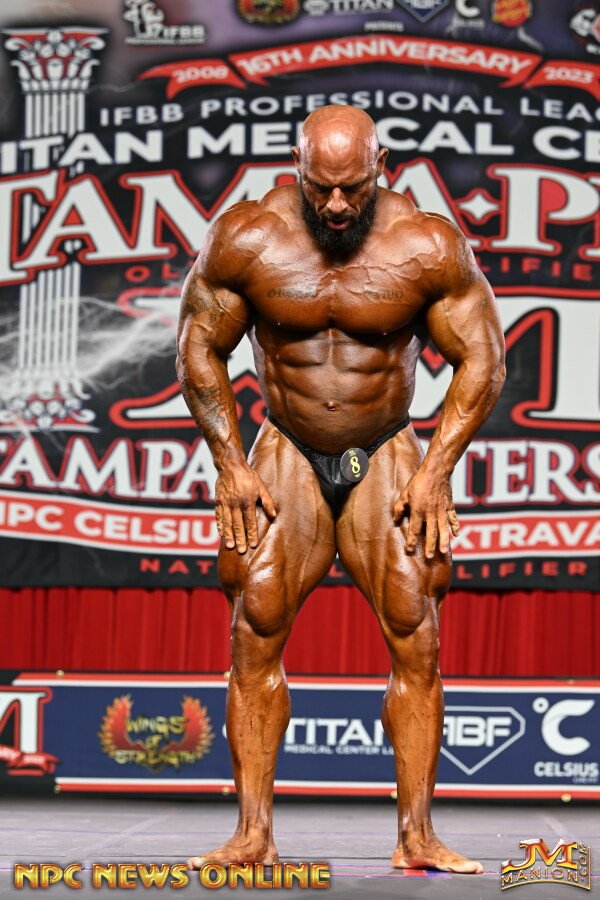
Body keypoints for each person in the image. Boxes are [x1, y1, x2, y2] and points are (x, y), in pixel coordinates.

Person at [176, 105, 505, 874]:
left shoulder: (425, 244)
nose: (334, 204)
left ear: (380, 167)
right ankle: (253, 834)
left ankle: (417, 836)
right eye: (319, 186)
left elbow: (483, 357)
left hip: (385, 449)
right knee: (255, 624)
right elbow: (197, 345)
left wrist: (437, 469)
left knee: (415, 628)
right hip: (286, 450)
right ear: (295, 166)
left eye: (351, 188)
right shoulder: (248, 237)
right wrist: (230, 463)